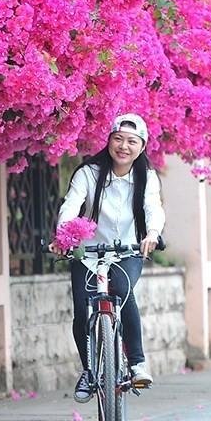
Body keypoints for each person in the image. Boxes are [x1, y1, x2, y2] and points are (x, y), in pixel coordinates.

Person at [52, 113, 165, 404]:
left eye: (132, 141)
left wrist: (152, 234)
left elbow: (154, 208)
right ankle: (90, 370)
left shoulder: (146, 177)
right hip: (88, 253)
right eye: (118, 139)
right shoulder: (88, 173)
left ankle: (137, 362)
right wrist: (65, 236)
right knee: (81, 308)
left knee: (123, 291)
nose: (123, 146)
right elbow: (70, 206)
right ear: (109, 140)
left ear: (142, 147)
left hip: (127, 250)